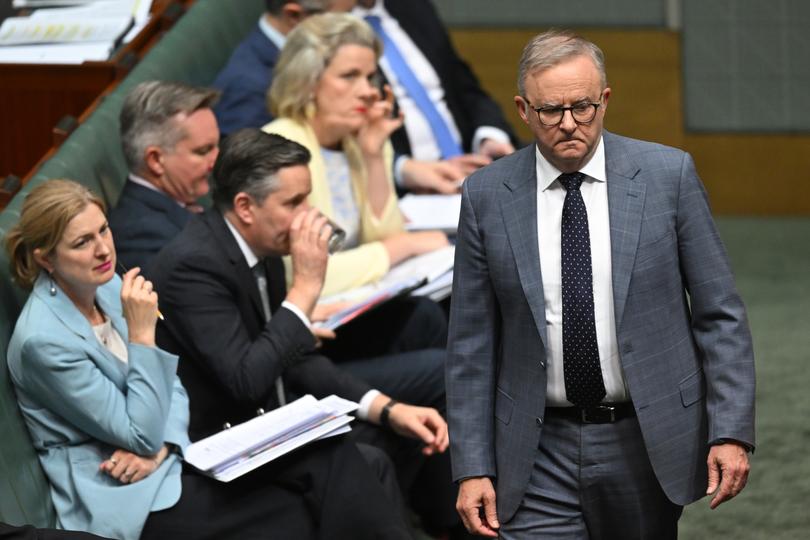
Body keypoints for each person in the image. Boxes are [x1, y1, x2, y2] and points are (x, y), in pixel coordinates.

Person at [446, 29, 755, 539]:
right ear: (523, 110)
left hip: (643, 435)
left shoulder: (667, 176)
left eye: (583, 107)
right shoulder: (486, 196)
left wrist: (729, 429)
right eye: (550, 111)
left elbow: (719, 313)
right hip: (535, 444)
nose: (569, 124)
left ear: (605, 101)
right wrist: (472, 464)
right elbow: (470, 346)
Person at [5, 179, 413, 540]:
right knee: (313, 508)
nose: (102, 249)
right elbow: (138, 432)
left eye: (103, 230)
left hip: (176, 457)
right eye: (82, 242)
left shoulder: (109, 284)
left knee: (335, 453)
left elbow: (174, 386)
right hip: (132, 501)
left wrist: (166, 445)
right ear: (45, 258)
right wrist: (144, 337)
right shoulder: (42, 342)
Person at [148, 129, 463, 536]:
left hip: (276, 416)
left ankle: (454, 529)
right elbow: (246, 381)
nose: (308, 216)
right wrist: (305, 290)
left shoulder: (264, 243)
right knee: (366, 462)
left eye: (308, 198)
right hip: (220, 443)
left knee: (400, 431)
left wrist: (387, 407)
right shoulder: (193, 267)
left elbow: (295, 359)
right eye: (294, 202)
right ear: (245, 207)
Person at [263, 12, 448, 296]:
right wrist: (401, 247)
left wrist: (373, 156)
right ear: (308, 82)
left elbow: (387, 235)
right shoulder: (279, 145)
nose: (366, 91)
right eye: (349, 76)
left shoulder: (362, 137)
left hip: (361, 298)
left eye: (370, 77)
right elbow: (299, 273)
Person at [352, 0, 518, 184]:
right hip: (403, 188)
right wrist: (402, 169)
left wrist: (489, 136)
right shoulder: (326, 28)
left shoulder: (414, 7)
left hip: (472, 169)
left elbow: (465, 87)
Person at [109, 81, 221, 270]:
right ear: (155, 160)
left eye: (217, 146)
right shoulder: (143, 236)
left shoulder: (182, 201)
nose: (216, 159)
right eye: (203, 151)